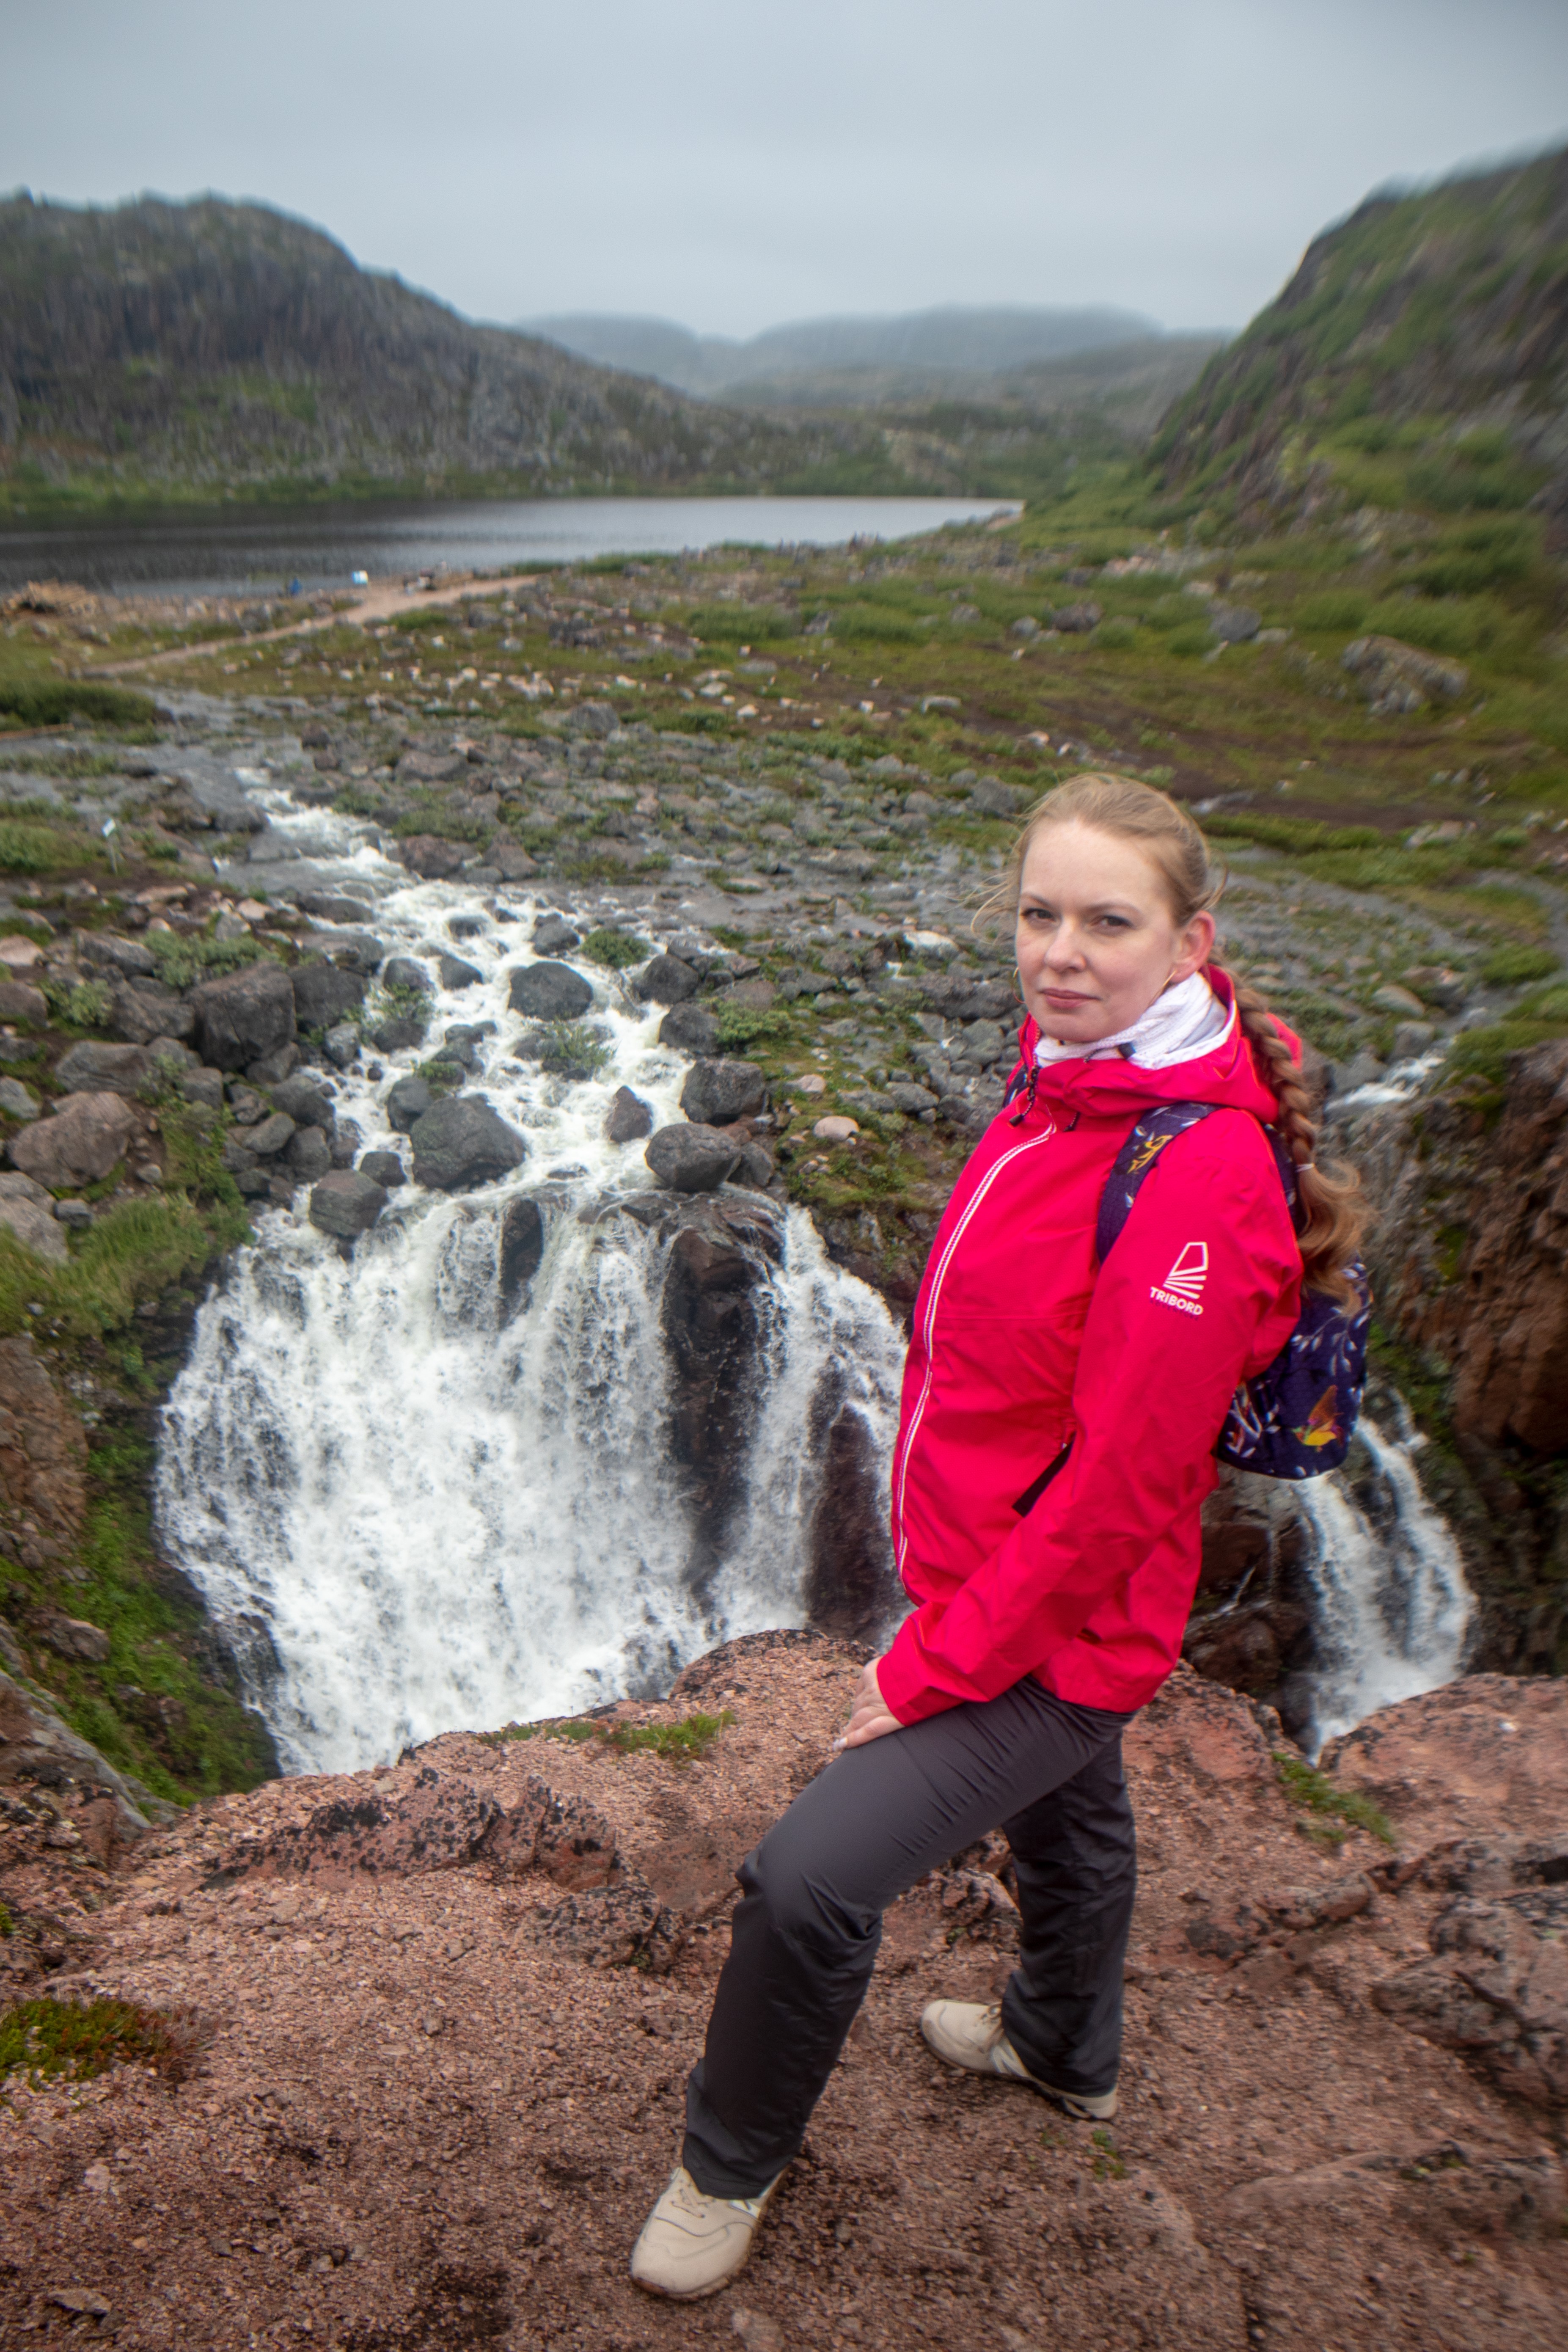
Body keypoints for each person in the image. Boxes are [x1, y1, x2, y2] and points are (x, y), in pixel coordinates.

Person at [629, 772, 1369, 2301]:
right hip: (996, 1566)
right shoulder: (1069, 1082)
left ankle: (727, 2165)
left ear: (1188, 940)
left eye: (1108, 921)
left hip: (1062, 1617)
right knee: (1072, 1817)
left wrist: (929, 1664)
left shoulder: (1194, 1170)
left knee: (813, 1878)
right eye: (1040, 914)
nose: (1061, 952)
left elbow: (1122, 1490)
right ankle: (1060, 2049)